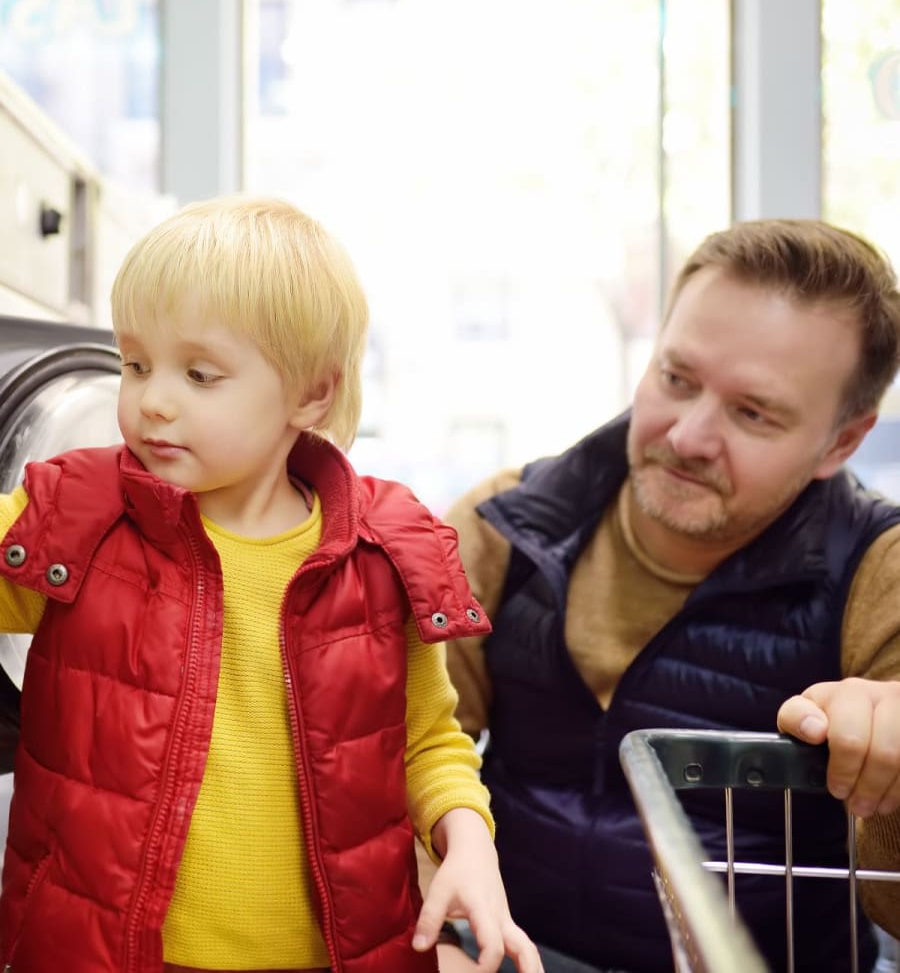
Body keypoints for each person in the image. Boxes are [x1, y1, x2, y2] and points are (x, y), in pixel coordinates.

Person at [0, 196, 543, 973]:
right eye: (134, 363)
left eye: (199, 373)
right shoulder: (75, 520)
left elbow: (426, 742)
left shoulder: (380, 558)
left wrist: (468, 842)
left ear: (310, 395)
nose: (152, 397)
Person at [424, 219, 900, 973]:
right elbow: (383, 764)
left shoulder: (882, 571)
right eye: (676, 379)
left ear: (841, 442)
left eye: (753, 413)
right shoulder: (504, 524)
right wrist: (433, 945)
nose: (687, 436)